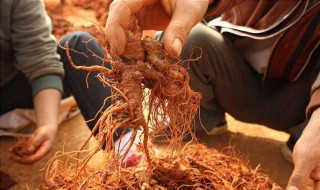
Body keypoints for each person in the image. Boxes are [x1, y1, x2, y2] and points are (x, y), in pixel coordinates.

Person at [104, 0, 320, 189]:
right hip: (244, 80)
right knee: (191, 40)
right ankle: (204, 120)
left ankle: (304, 136)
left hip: (301, 101)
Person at [1, 0, 135, 166]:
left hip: (10, 86)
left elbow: (40, 57)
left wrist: (47, 124)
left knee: (78, 45)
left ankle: (126, 147)